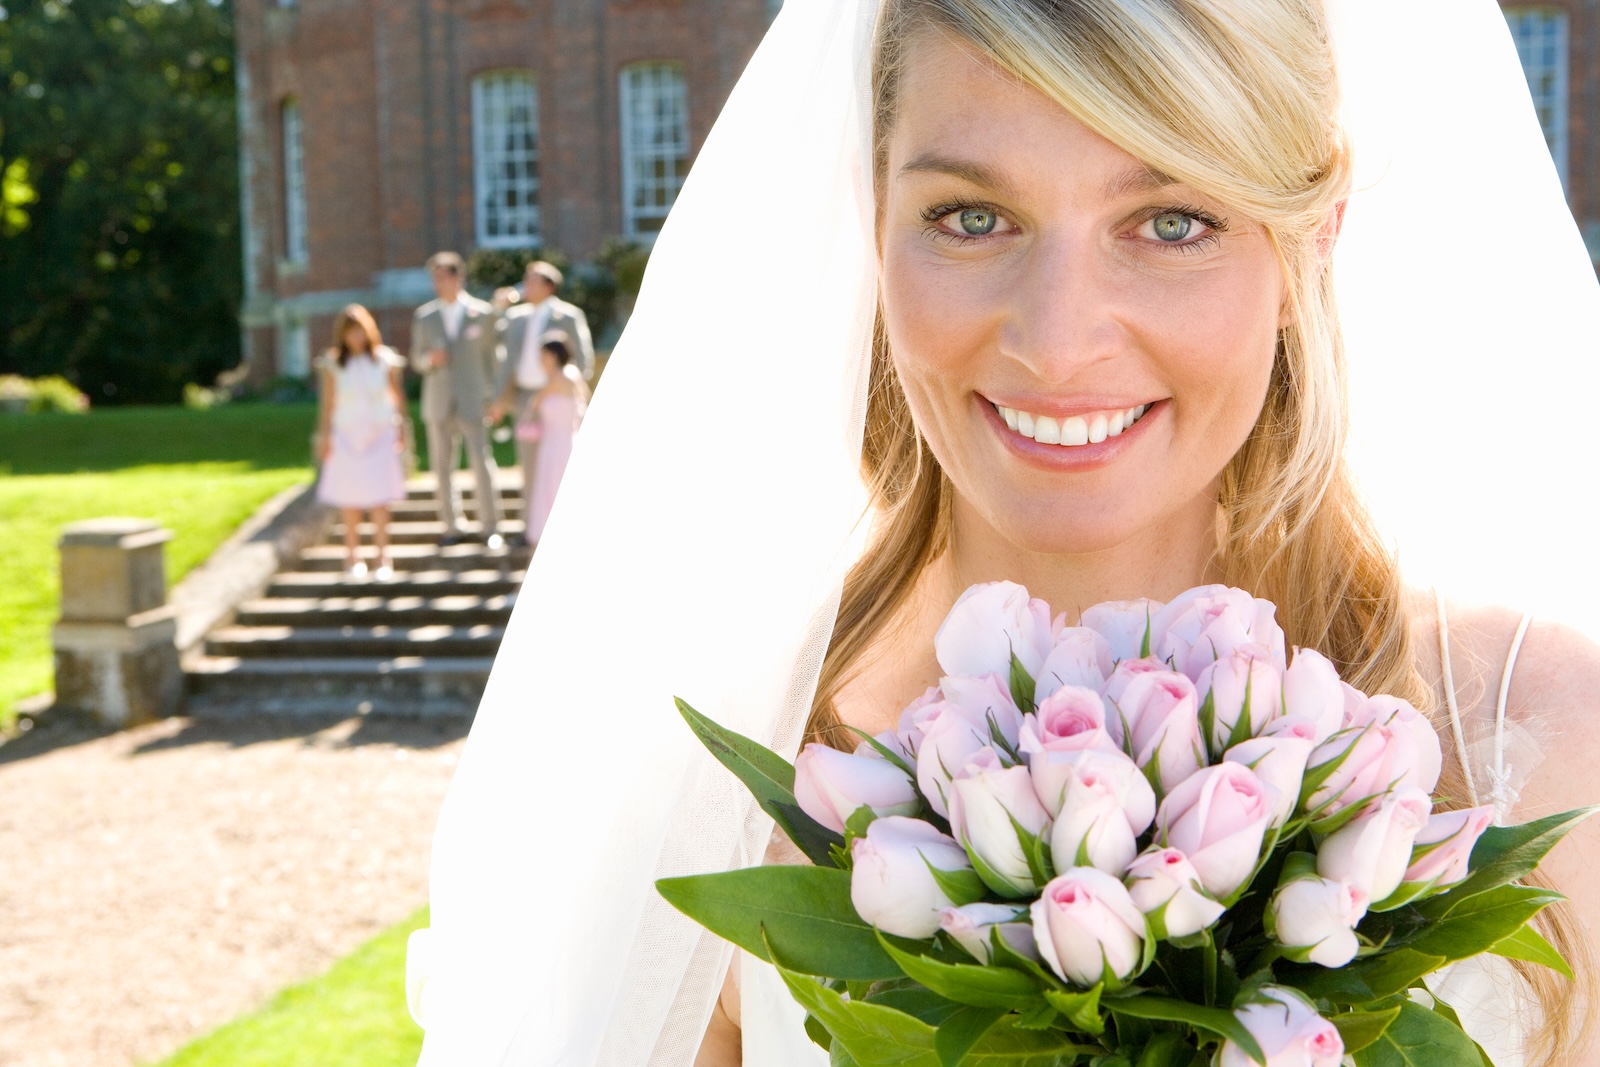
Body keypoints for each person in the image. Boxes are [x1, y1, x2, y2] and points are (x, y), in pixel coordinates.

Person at [409, 1, 1600, 1065]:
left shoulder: (1537, 736)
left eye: (1172, 220)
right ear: (871, 221)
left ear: (1313, 233)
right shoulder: (725, 784)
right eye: (972, 216)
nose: (1056, 337)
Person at [491, 260, 596, 546]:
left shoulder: (568, 315)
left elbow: (583, 358)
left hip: (558, 397)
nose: (526, 284)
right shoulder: (514, 317)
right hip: (527, 396)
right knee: (530, 466)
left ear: (549, 286)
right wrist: (500, 400)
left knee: (562, 465)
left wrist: (564, 387)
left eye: (533, 280)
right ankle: (532, 529)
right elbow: (496, 351)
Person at [410, 251, 506, 549]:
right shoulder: (424, 317)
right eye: (434, 277)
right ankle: (452, 525)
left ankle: (490, 525)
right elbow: (416, 359)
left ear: (458, 277)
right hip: (438, 401)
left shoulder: (483, 313)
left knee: (481, 460)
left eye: (443, 276)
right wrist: (429, 359)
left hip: (473, 398)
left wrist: (495, 396)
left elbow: (494, 359)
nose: (438, 283)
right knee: (442, 466)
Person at [313, 304, 407, 579]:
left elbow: (396, 398)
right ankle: (352, 556)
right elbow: (328, 404)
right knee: (350, 498)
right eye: (350, 333)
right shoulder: (333, 364)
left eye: (360, 332)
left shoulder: (384, 360)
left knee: (380, 499)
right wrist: (325, 436)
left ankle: (382, 556)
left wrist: (401, 427)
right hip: (345, 436)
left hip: (380, 434)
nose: (356, 338)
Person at [514, 336, 589, 546]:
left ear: (553, 356)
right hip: (567, 440)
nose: (541, 360)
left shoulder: (556, 378)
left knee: (553, 488)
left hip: (555, 446)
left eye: (544, 356)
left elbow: (533, 406)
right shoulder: (574, 375)